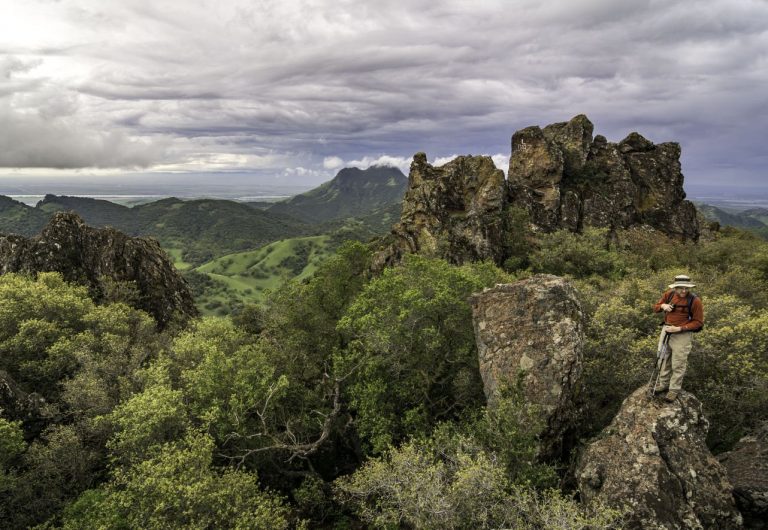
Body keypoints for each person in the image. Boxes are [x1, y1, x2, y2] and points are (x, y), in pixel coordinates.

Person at [652, 274, 704, 402]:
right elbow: (655, 307)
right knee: (663, 358)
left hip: (682, 334)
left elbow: (698, 322)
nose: (684, 291)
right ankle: (663, 384)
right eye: (681, 288)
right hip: (666, 330)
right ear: (675, 287)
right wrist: (663, 306)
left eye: (686, 288)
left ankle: (673, 390)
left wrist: (679, 329)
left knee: (678, 363)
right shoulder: (668, 295)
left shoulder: (695, 301)